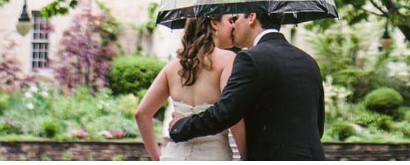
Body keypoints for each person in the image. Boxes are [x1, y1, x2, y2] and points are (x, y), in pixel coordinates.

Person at [168, 10, 325, 161]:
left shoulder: (250, 58)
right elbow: (318, 124)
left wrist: (181, 126)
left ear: (251, 17)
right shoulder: (308, 61)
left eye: (236, 19)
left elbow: (224, 113)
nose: (234, 26)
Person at [135, 13, 246, 162]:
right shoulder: (229, 59)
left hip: (173, 157)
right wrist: (246, 156)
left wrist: (156, 157)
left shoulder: (173, 66)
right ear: (214, 23)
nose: (233, 25)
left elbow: (142, 114)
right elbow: (233, 114)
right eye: (230, 20)